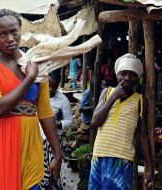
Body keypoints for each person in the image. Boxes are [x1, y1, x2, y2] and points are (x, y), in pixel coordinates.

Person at [0, 9, 62, 190]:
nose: (10, 38)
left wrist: (58, 153)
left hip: (31, 143)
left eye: (14, 31)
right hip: (2, 141)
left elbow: (45, 113)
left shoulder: (37, 64)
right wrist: (30, 78)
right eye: (2, 34)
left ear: (20, 30)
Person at [88, 53, 154, 190]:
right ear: (117, 74)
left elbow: (142, 136)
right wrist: (113, 97)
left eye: (132, 74)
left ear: (137, 78)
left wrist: (149, 167)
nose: (127, 78)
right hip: (100, 155)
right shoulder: (106, 93)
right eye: (123, 73)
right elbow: (94, 122)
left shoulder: (140, 101)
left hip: (122, 158)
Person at [41, 70, 73, 189]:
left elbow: (69, 121)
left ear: (57, 85)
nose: (49, 89)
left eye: (52, 87)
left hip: (52, 143)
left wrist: (59, 124)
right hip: (38, 140)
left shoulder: (63, 100)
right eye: (47, 86)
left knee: (50, 174)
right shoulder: (38, 95)